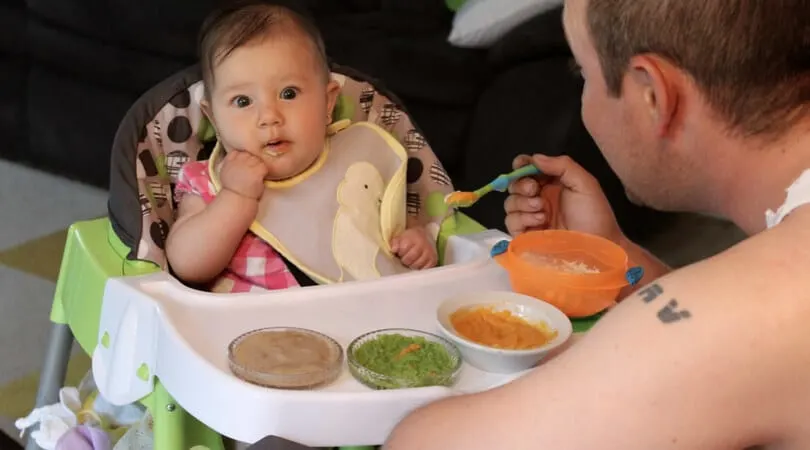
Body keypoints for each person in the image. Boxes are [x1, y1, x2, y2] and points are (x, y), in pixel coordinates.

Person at [384, 0, 810, 448]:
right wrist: (612, 252)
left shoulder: (751, 313)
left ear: (653, 95)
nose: (583, 97)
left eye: (581, 74)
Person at [166, 2, 437, 293]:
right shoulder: (208, 183)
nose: (269, 116)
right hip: (254, 329)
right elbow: (187, 264)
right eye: (243, 101)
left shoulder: (358, 163)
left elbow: (391, 224)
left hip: (360, 320)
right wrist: (235, 197)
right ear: (214, 118)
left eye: (288, 93)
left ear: (328, 102)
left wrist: (416, 243)